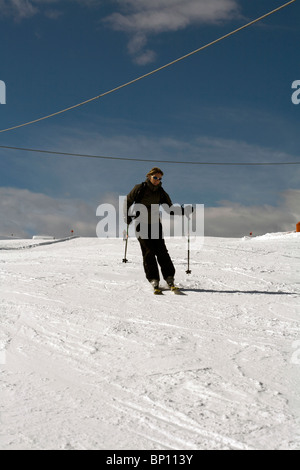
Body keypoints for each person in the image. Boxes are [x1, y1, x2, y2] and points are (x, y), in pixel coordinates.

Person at [124, 167, 177, 292]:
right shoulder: (139, 188)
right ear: (149, 176)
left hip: (155, 224)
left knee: (162, 251)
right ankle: (154, 279)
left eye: (159, 178)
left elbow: (169, 207)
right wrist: (127, 215)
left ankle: (169, 277)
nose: (157, 180)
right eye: (155, 177)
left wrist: (182, 211)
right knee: (148, 252)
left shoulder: (161, 191)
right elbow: (128, 200)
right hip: (141, 224)